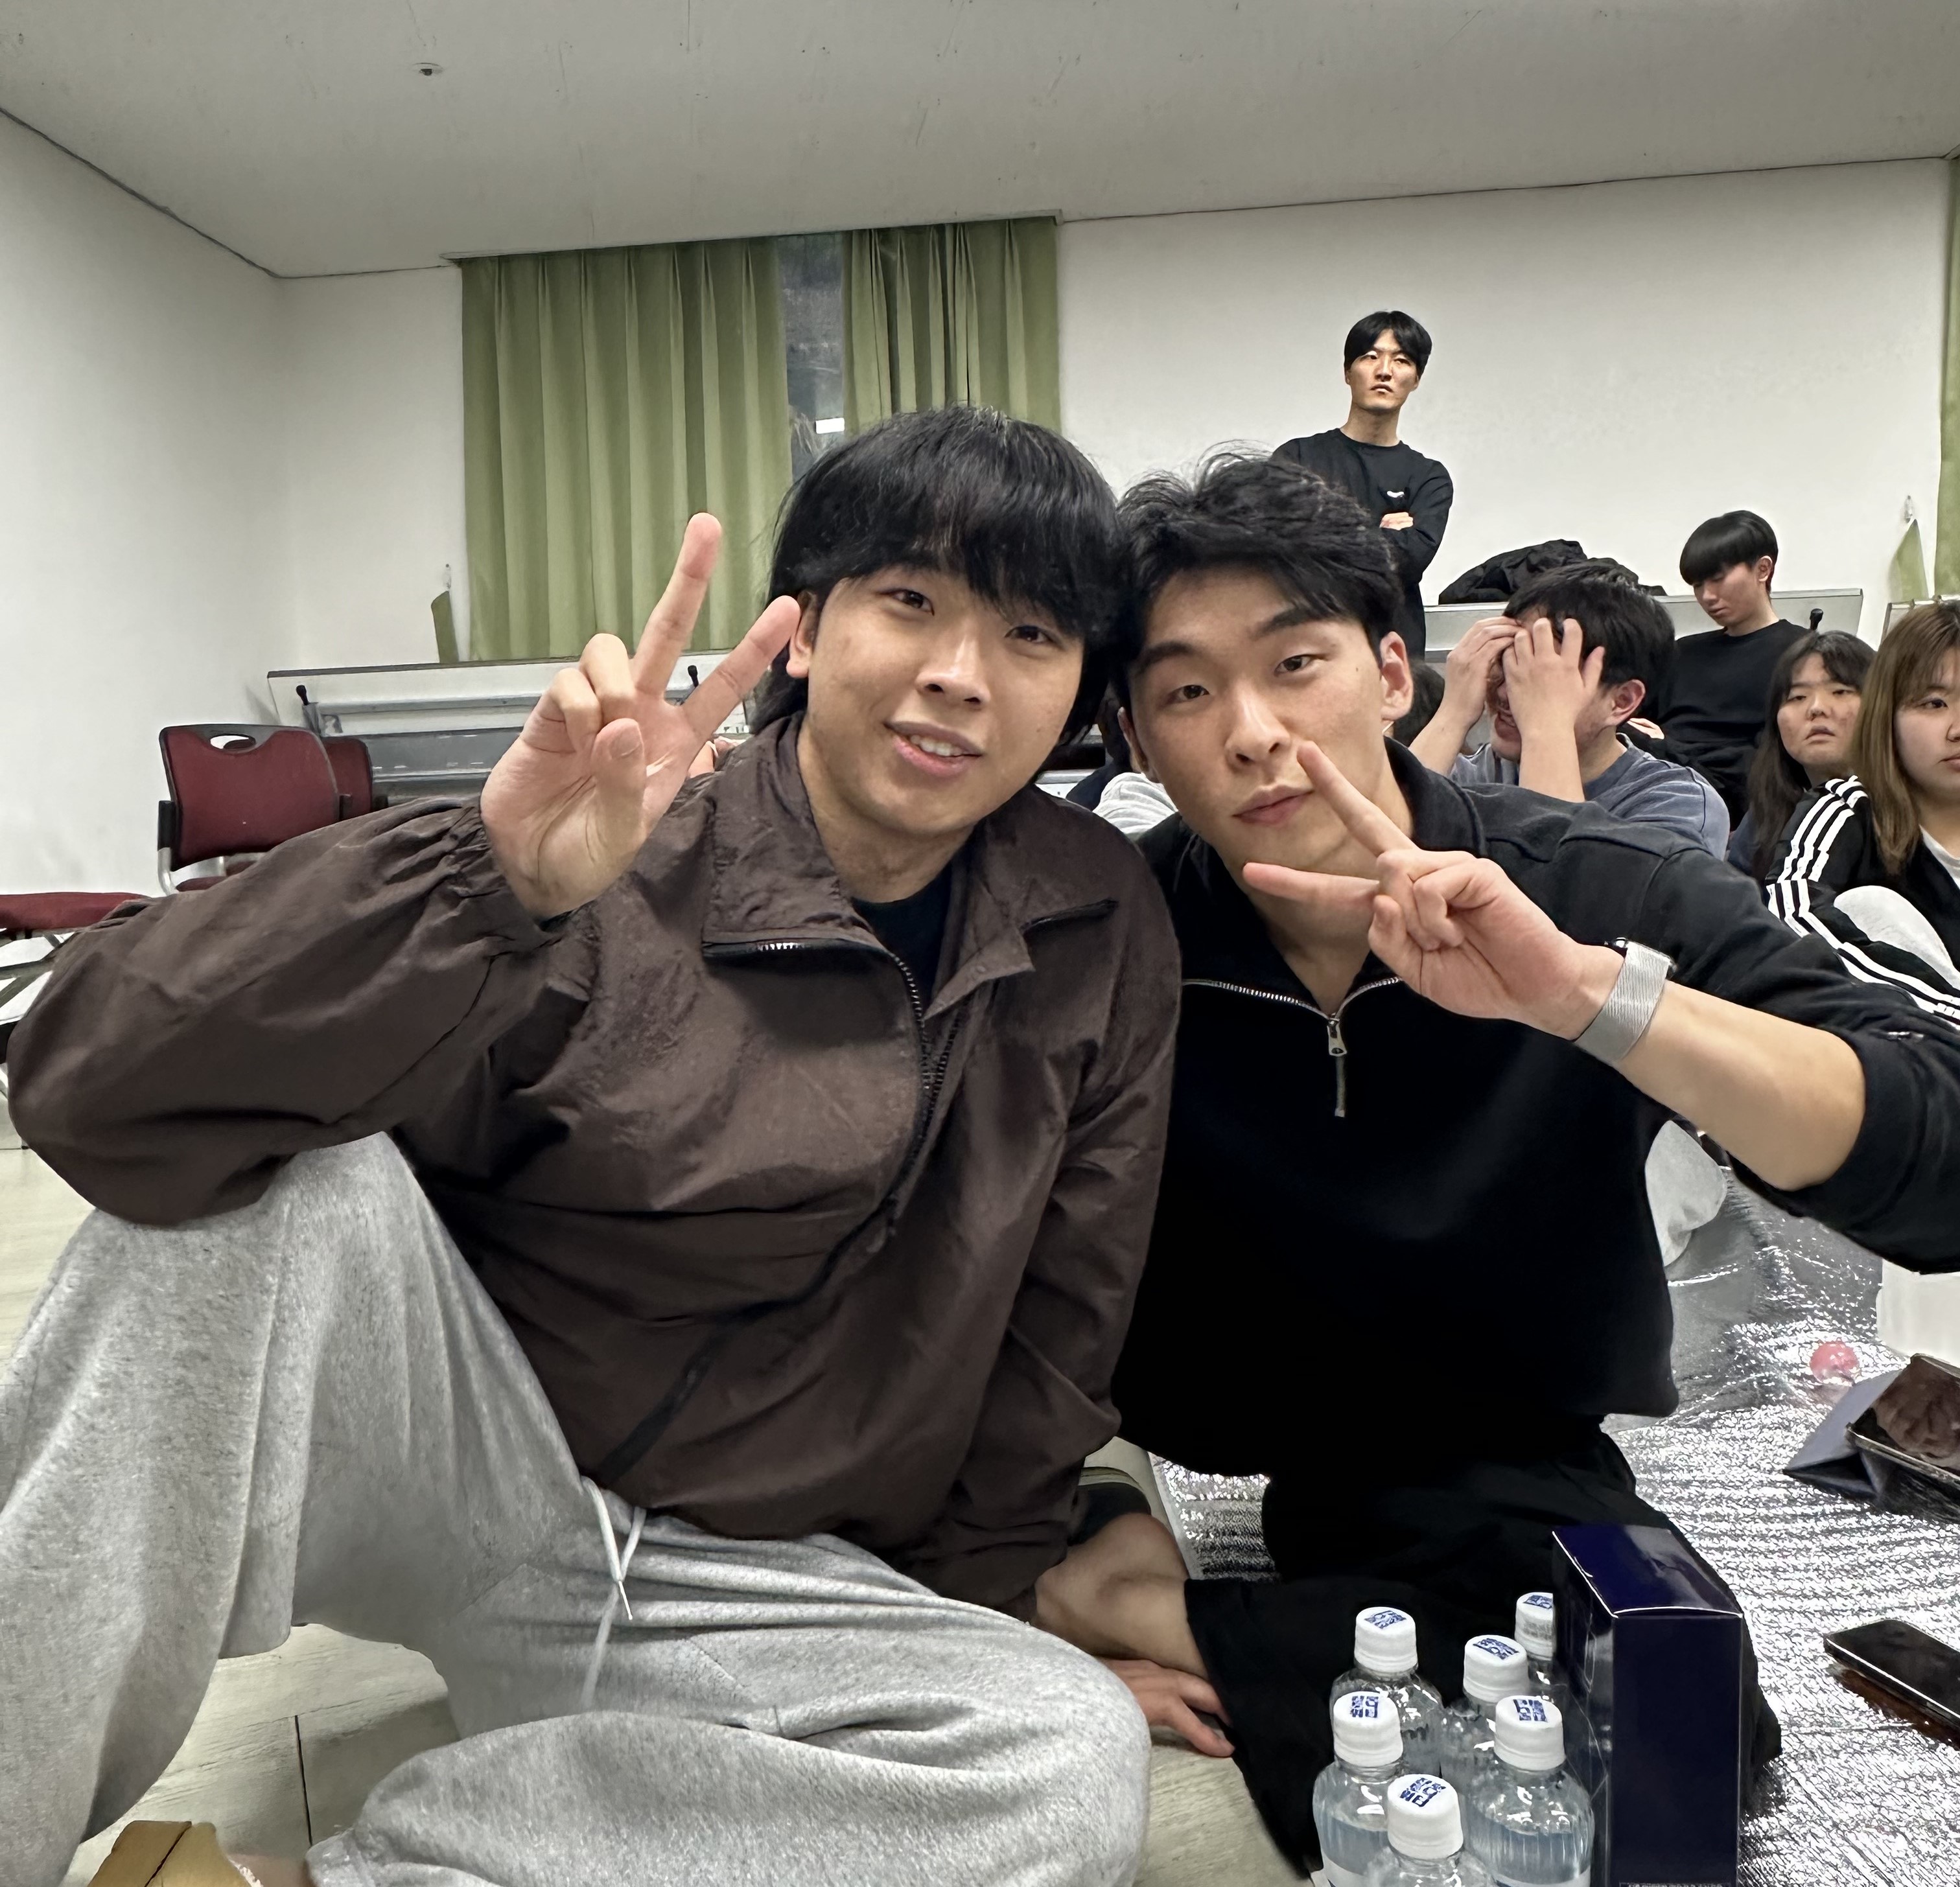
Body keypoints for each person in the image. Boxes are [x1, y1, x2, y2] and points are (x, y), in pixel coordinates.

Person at [1, 408, 1182, 1887]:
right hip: (465, 1453)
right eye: (910, 599)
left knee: (1066, 1760)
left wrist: (963, 1632)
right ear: (806, 624)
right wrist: (486, 882)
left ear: (1076, 690)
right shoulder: (622, 839)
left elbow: (1060, 1317)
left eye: (1030, 633)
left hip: (742, 1569)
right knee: (266, 1206)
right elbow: (91, 1088)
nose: (960, 671)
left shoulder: (1096, 918)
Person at [1029, 455, 1960, 1875]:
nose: (1254, 732)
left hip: (1487, 1437)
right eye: (1186, 691)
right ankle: (1116, 1580)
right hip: (1168, 1420)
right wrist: (1078, 1506)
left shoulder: (1588, 885)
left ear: (1390, 673)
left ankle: (1160, 1616)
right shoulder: (1114, 935)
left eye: (1295, 663)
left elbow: (1931, 1152)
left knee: (1683, 1705)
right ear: (1139, 741)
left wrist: (1585, 998)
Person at [1408, 561, 1728, 855]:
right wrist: (1452, 715)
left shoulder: (1677, 803)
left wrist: (1546, 730)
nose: (1506, 692)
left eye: (1542, 676)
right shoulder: (1479, 772)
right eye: (1508, 662)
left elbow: (1565, 886)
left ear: (1622, 701)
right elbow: (1386, 843)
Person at [1764, 599, 1960, 1017]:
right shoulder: (1847, 808)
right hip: (1913, 1037)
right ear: (1886, 714)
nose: (1958, 729)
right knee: (1869, 907)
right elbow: (1790, 916)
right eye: (1934, 703)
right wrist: (1946, 1008)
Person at [1273, 310, 1452, 658]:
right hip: (1307, 652)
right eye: (1370, 357)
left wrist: (1325, 533)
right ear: (1347, 372)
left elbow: (1411, 560)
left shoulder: (1429, 476)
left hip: (1393, 659)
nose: (1384, 371)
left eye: (1401, 360)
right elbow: (1283, 556)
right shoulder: (1297, 458)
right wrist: (1379, 532)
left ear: (1416, 379)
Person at [1647, 510, 1806, 823]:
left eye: (1718, 579)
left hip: (1729, 796)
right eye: (1698, 585)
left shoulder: (1802, 655)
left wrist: (1668, 747)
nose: (1707, 596)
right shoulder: (1681, 653)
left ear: (1763, 569)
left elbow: (1769, 762)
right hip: (1655, 776)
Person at [1728, 630, 1874, 881]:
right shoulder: (1767, 812)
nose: (1816, 708)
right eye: (1798, 697)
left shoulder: (1919, 808)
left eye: (1840, 691)